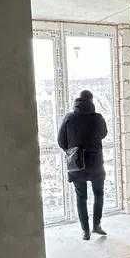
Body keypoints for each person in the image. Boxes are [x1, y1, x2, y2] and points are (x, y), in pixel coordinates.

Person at [57, 90, 108, 240]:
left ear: (78, 101)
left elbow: (61, 141)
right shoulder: (98, 118)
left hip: (77, 163)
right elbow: (104, 134)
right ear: (91, 101)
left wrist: (73, 150)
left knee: (81, 197)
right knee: (98, 194)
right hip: (96, 163)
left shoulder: (69, 118)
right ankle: (96, 226)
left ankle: (85, 231)